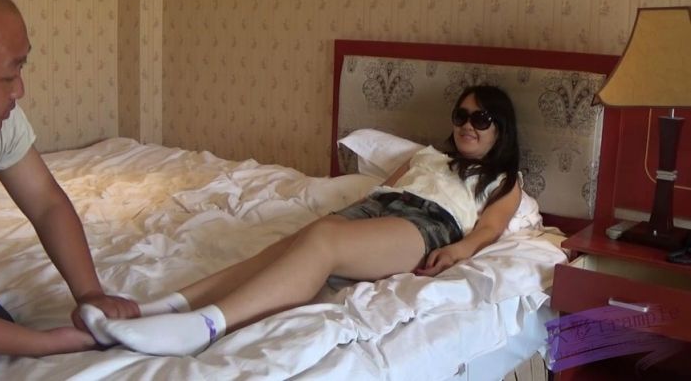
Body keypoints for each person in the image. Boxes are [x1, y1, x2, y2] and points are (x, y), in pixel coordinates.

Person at [80, 85, 522, 356]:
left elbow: (490, 229)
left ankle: (207, 325)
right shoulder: (426, 155)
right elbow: (380, 192)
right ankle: (164, 306)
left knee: (323, 239)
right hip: (381, 207)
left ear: (500, 128)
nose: (467, 125)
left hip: (427, 225)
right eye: (461, 116)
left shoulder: (504, 179)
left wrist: (459, 250)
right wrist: (352, 216)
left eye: (480, 119)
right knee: (288, 247)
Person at [0, 0, 139, 355]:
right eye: (7, 76)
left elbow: (46, 203)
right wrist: (42, 344)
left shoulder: (3, 124)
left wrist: (90, 294)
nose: (19, 91)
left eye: (22, 68)